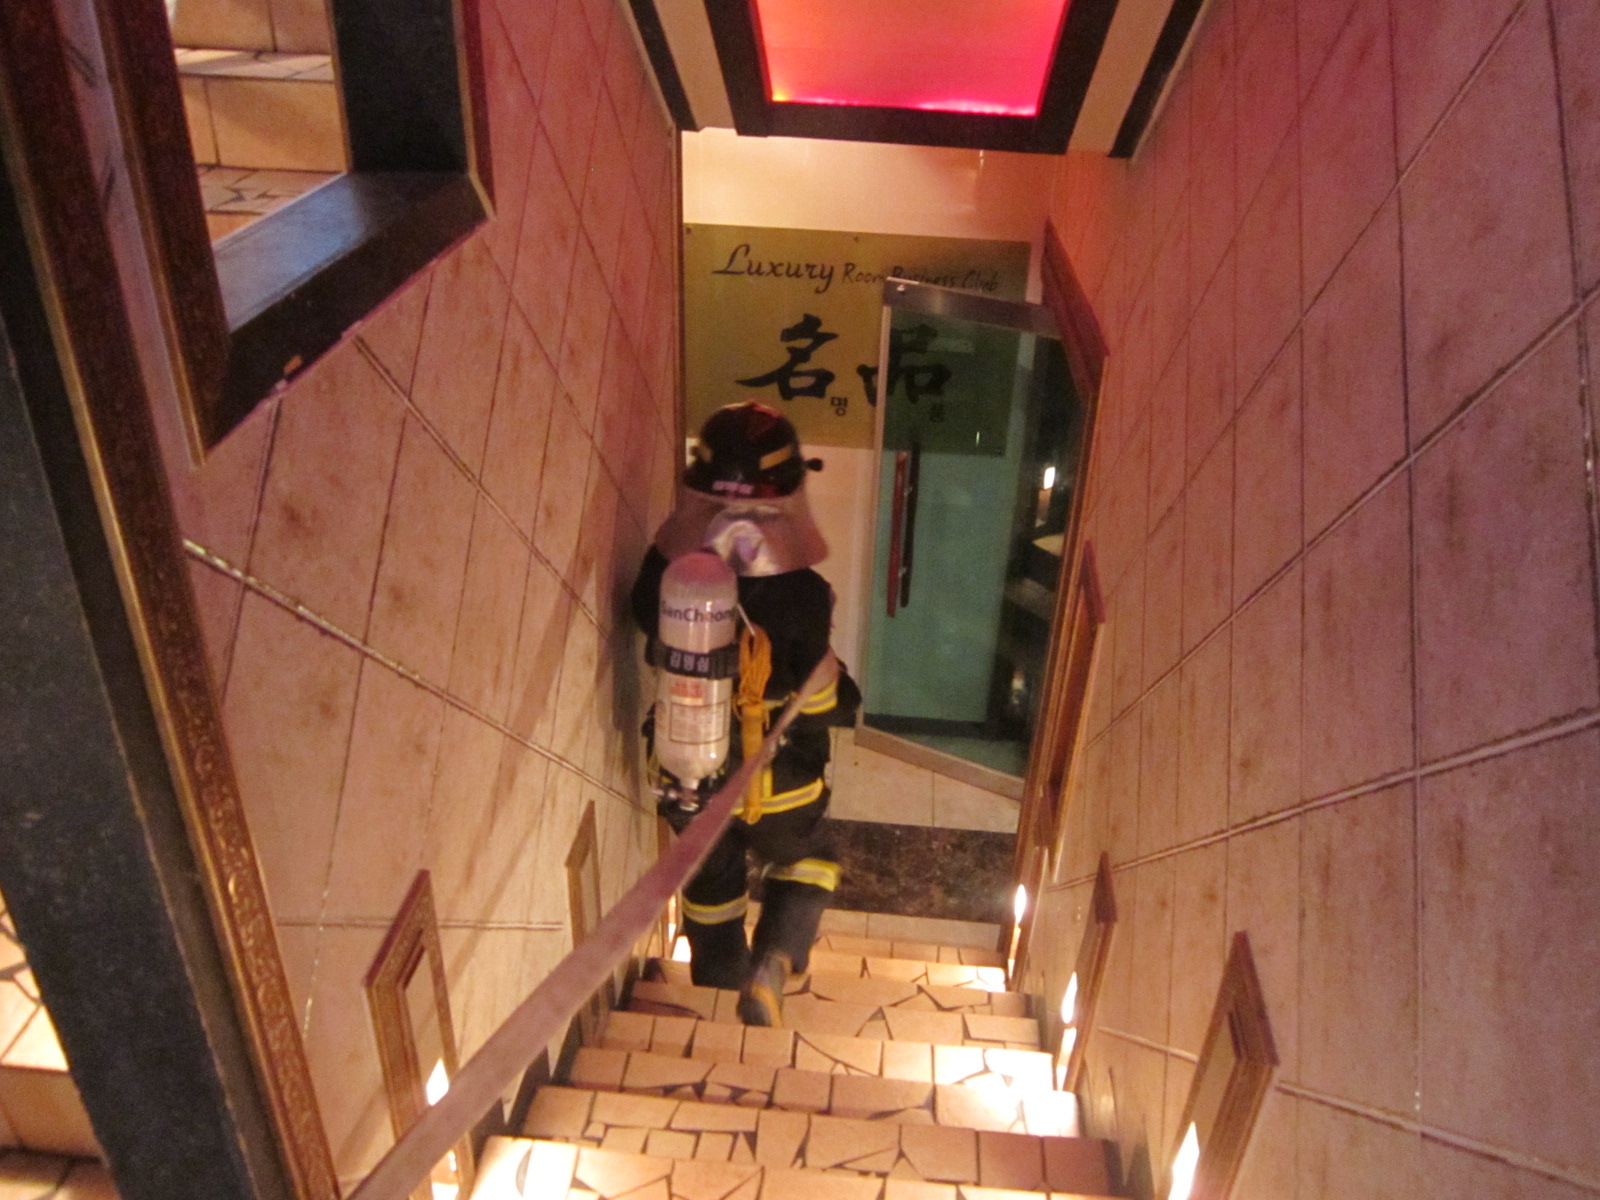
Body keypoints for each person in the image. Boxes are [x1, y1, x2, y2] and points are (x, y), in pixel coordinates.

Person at [631, 401, 857, 1026]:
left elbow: (645, 619)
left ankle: (714, 987)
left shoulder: (667, 572)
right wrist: (843, 695)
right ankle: (774, 960)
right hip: (778, 784)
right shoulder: (804, 594)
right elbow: (820, 704)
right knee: (810, 859)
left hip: (686, 774)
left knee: (710, 876)